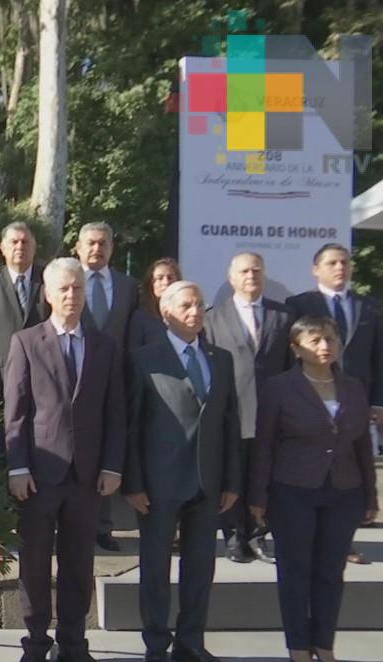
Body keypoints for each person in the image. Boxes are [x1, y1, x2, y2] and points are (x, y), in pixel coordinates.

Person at [4, 258, 126, 662]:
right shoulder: (26, 341)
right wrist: (17, 467)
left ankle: (73, 644)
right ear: (48, 294)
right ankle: (37, 643)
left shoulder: (105, 345)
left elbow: (115, 412)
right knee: (35, 565)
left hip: (87, 476)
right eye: (64, 289)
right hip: (40, 473)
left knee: (79, 564)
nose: (72, 296)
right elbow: (16, 412)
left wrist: (112, 465)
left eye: (77, 288)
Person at [124, 280, 241, 662]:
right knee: (155, 570)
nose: (195, 312)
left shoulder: (220, 358)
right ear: (166, 312)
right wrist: (134, 482)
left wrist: (231, 480)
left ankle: (191, 641)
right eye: (186, 305)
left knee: (200, 568)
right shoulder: (144, 358)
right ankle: (157, 644)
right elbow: (133, 426)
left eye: (200, 305)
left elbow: (229, 422)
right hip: (159, 484)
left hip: (207, 483)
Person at [249, 316, 378, 662]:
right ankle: (298, 647)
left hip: (344, 491)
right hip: (292, 490)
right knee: (295, 571)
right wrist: (258, 495)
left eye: (331, 340)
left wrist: (370, 495)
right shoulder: (279, 387)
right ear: (296, 348)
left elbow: (363, 445)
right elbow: (264, 445)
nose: (325, 347)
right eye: (316, 340)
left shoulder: (353, 386)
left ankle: (324, 644)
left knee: (331, 572)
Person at [285, 243, 383, 565]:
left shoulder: (371, 307)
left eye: (344, 262)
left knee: (352, 469)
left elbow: (379, 359)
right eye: (331, 263)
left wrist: (378, 402)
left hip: (356, 401)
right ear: (316, 269)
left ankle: (345, 542)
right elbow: (289, 357)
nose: (340, 268)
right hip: (311, 401)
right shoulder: (299, 305)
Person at [203, 252, 294, 564]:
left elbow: (291, 367)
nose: (251, 275)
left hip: (272, 411)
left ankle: (259, 534)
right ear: (231, 278)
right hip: (231, 410)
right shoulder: (212, 317)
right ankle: (233, 536)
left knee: (264, 474)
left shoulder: (284, 316)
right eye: (244, 271)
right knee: (232, 474)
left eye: (256, 270)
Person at [74, 221, 140, 552]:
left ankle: (104, 527)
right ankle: (78, 523)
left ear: (112, 247)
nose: (96, 249)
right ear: (78, 247)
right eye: (90, 243)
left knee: (109, 453)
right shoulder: (67, 284)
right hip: (76, 382)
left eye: (103, 243)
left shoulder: (129, 287)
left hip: (117, 383)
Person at [0, 222, 49, 397]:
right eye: (14, 242)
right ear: (2, 248)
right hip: (3, 377)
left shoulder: (48, 278)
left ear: (34, 247)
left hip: (44, 374)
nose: (20, 246)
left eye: (25, 242)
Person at [128, 258, 181, 350]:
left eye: (170, 277)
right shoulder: (141, 318)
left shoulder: (187, 314)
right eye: (160, 278)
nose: (166, 282)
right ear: (151, 283)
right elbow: (134, 354)